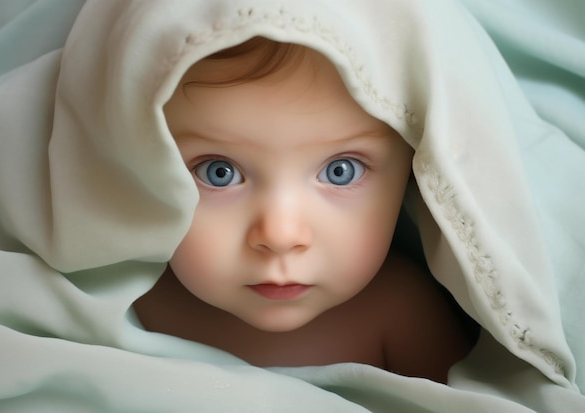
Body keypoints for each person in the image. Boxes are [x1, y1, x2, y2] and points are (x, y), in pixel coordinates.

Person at [134, 36, 477, 384]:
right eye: (218, 173)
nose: (281, 236)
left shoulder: (400, 311)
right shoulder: (122, 301)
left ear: (412, 174)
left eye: (340, 171)